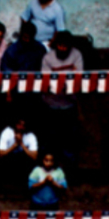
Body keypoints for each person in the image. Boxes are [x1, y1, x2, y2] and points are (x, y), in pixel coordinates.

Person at [41, 31, 83, 167]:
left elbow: (78, 77)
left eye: (66, 46)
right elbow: (46, 81)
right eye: (60, 45)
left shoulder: (76, 55)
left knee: (69, 139)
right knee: (50, 138)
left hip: (69, 104)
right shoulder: (48, 58)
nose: (62, 49)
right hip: (50, 104)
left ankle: (70, 170)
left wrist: (61, 80)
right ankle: (49, 167)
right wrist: (66, 79)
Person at [28, 152, 67, 219]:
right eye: (46, 160)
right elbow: (31, 186)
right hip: (36, 203)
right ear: (42, 160)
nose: (48, 163)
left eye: (51, 161)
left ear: (54, 162)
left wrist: (53, 183)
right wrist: (44, 182)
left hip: (52, 204)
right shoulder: (37, 171)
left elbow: (63, 188)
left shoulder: (59, 172)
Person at [0, 118, 39, 189]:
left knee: (33, 164)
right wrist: (15, 144)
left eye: (23, 125)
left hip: (22, 159)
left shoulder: (30, 136)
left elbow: (34, 157)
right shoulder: (7, 132)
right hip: (8, 158)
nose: (21, 127)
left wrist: (21, 143)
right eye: (19, 124)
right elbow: (1, 154)